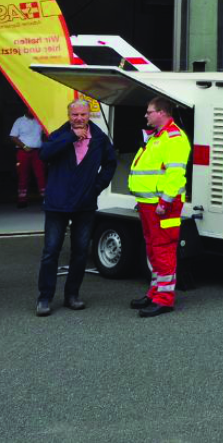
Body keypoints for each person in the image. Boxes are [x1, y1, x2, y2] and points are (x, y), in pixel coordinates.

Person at [35, 100, 117, 317]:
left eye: (83, 114)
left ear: (89, 115)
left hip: (84, 205)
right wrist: (71, 137)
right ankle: (44, 298)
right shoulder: (59, 134)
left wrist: (96, 187)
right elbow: (44, 155)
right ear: (69, 115)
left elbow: (111, 163)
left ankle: (72, 295)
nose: (79, 118)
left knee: (80, 252)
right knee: (50, 252)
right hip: (57, 204)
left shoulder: (99, 138)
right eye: (75, 115)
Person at [128, 96, 190, 318]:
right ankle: (155, 293)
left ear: (162, 113)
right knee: (153, 249)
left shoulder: (174, 138)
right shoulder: (158, 136)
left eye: (149, 111)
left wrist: (165, 201)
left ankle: (164, 299)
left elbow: (175, 175)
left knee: (163, 249)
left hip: (163, 205)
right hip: (150, 204)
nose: (146, 115)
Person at [10, 108, 46, 208]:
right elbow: (13, 137)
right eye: (31, 109)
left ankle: (46, 199)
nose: (33, 111)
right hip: (23, 151)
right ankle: (22, 200)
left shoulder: (40, 120)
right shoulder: (19, 121)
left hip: (37, 152)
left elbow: (45, 135)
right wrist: (25, 147)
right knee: (23, 174)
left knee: (41, 174)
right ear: (27, 109)